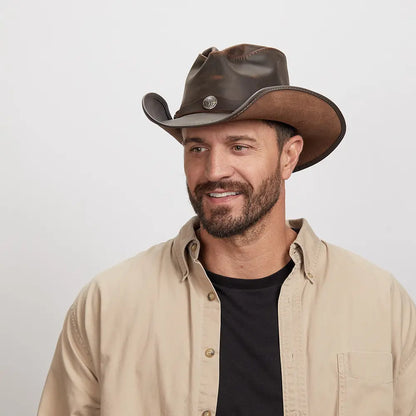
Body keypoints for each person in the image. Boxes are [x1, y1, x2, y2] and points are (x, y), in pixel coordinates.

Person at [38, 44, 416, 416]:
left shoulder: (380, 303)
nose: (215, 170)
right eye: (197, 148)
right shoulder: (107, 305)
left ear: (289, 156)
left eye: (239, 147)